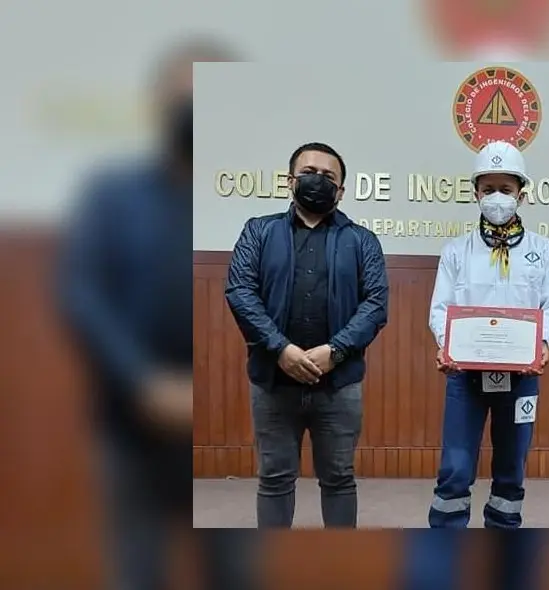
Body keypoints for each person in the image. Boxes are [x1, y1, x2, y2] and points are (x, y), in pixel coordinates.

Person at [58, 38, 257, 589]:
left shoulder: (265, 206)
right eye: (187, 95)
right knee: (137, 574)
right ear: (160, 102)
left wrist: (220, 391)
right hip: (134, 424)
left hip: (231, 432)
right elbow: (83, 294)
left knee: (235, 575)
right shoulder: (112, 195)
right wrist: (144, 382)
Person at [225, 141, 389, 528]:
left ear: (341, 190)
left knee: (339, 480)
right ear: (289, 181)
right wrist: (280, 348)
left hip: (339, 383)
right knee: (275, 480)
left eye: (328, 176)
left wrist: (336, 350)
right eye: (309, 173)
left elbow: (376, 304)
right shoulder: (258, 231)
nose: (317, 181)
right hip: (272, 380)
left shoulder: (362, 241)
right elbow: (240, 291)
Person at [427, 141, 549, 529]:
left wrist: (542, 343)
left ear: (522, 193)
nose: (497, 197)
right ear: (475, 193)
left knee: (510, 468)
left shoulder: (545, 251)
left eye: (506, 189)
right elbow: (440, 309)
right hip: (464, 377)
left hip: (522, 379)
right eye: (488, 189)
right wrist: (446, 344)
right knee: (455, 467)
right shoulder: (455, 251)